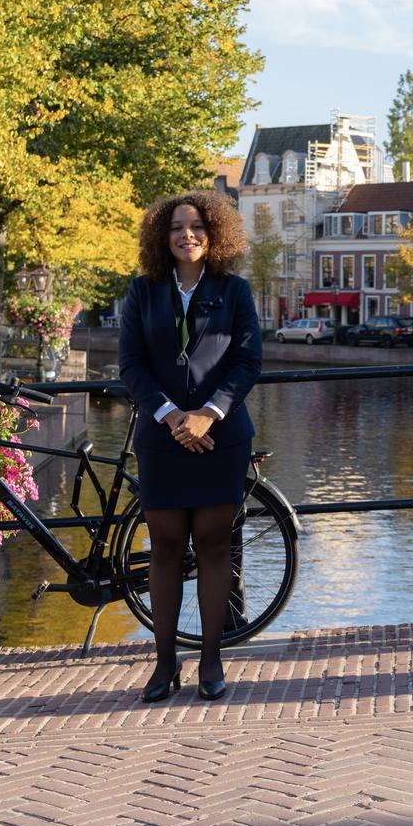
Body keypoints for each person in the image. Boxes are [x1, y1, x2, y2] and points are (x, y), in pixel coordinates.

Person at [117, 192, 263, 703]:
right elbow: (131, 364)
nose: (187, 235)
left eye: (197, 226)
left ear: (214, 232)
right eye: (177, 227)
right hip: (162, 437)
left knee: (215, 542)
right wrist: (173, 415)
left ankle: (211, 659)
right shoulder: (143, 293)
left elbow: (248, 362)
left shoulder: (235, 291)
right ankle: (162, 665)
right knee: (166, 545)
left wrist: (207, 414)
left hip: (221, 436)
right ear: (163, 237)